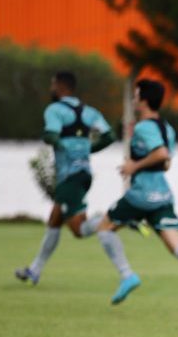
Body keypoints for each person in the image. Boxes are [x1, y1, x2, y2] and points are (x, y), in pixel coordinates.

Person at [93, 79, 178, 318]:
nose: (134, 100)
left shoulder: (143, 127)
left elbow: (161, 154)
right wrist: (145, 163)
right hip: (162, 194)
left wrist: (133, 166)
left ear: (144, 100)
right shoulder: (167, 128)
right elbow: (166, 163)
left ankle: (127, 275)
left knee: (104, 228)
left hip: (141, 193)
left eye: (136, 96)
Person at [15, 71, 115, 285]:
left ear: (61, 86)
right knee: (54, 220)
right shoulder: (89, 111)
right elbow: (110, 136)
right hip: (84, 174)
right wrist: (87, 149)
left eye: (52, 84)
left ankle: (115, 218)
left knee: (79, 230)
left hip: (69, 176)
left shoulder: (54, 110)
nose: (51, 89)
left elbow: (51, 135)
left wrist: (58, 143)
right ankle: (34, 270)